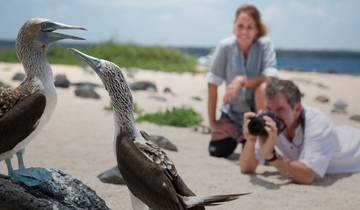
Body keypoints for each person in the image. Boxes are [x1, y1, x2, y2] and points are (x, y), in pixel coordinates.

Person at [240, 78, 360, 184]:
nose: (273, 115)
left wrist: (272, 157)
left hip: (354, 147)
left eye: (280, 109)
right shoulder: (270, 122)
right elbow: (247, 169)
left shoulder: (317, 123)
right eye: (269, 109)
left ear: (297, 109)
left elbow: (307, 176)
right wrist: (251, 140)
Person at [206, 4, 278, 158]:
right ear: (234, 26)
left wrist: (242, 80)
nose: (244, 31)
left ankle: (259, 133)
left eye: (250, 27)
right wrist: (213, 123)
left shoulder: (265, 45)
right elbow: (212, 83)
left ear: (257, 29)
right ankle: (239, 136)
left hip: (257, 113)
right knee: (218, 150)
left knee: (263, 87)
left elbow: (271, 77)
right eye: (240, 26)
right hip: (232, 114)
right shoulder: (225, 46)